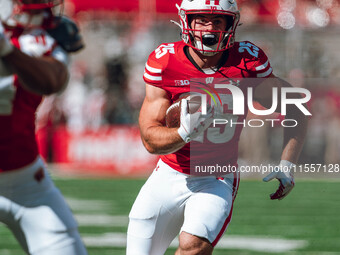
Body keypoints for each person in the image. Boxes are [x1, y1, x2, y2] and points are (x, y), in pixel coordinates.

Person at [127, 0, 308, 254]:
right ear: (186, 22)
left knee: (193, 244)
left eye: (218, 20)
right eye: (201, 19)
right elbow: (149, 138)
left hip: (216, 176)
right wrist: (183, 133)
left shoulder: (247, 63)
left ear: (231, 23)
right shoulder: (166, 62)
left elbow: (295, 106)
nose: (210, 28)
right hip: (169, 172)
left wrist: (288, 163)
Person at [0, 0, 87, 254]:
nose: (42, 9)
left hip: (27, 182)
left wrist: (7, 50)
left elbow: (53, 80)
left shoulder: (47, 35)